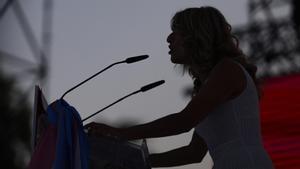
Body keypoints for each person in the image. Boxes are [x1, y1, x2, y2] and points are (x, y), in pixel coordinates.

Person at [85, 6, 274, 169]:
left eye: (177, 31)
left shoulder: (228, 70)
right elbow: (194, 152)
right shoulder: (209, 86)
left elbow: (183, 121)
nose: (169, 38)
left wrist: (119, 133)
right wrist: (139, 161)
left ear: (198, 35)